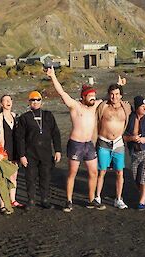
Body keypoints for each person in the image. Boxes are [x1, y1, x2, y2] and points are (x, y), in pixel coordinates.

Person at [47, 67, 104, 212]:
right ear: (83, 97)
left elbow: (111, 99)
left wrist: (120, 86)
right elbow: (62, 92)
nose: (93, 98)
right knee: (72, 173)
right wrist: (53, 76)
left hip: (89, 145)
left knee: (94, 173)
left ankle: (91, 200)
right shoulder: (75, 106)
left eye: (94, 95)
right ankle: (69, 200)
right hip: (76, 144)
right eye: (90, 96)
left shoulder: (95, 105)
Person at [16, 90, 61, 210]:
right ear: (29, 102)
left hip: (46, 153)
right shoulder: (24, 117)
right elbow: (19, 138)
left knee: (45, 177)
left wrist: (57, 150)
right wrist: (21, 155)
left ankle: (45, 200)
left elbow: (55, 133)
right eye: (32, 100)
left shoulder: (48, 115)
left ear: (41, 101)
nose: (35, 102)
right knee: (30, 178)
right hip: (30, 153)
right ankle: (31, 200)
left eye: (38, 100)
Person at [95, 84, 131, 209]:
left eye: (116, 94)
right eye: (111, 94)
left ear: (121, 95)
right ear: (108, 94)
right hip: (104, 142)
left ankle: (118, 199)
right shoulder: (103, 106)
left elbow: (141, 111)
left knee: (120, 172)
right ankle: (97, 197)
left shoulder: (126, 107)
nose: (114, 96)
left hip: (118, 143)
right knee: (102, 171)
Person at [0, 95, 24, 207]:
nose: (8, 102)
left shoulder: (15, 116)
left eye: (10, 100)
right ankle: (3, 203)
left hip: (14, 149)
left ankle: (13, 200)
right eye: (5, 100)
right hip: (4, 149)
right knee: (3, 178)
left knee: (14, 176)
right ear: (1, 103)